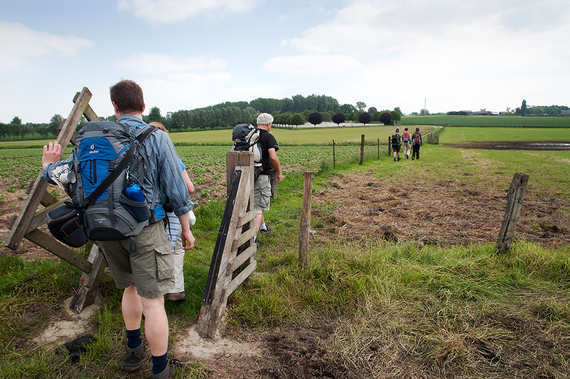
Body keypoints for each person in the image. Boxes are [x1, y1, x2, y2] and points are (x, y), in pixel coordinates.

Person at [42, 80, 194, 379]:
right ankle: (160, 370)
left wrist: (47, 165)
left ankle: (133, 352)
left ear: (114, 106)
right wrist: (186, 230)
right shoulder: (155, 137)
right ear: (143, 105)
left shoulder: (93, 139)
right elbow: (178, 193)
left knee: (130, 288)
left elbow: (64, 175)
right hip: (145, 229)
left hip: (105, 230)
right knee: (153, 302)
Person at [149, 122, 196, 303]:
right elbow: (189, 187)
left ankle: (151, 293)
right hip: (170, 211)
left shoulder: (138, 156)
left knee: (149, 252)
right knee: (176, 249)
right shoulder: (173, 158)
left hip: (148, 212)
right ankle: (174, 290)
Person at [253, 113, 283, 241]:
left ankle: (263, 227)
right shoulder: (268, 137)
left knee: (257, 203)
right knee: (259, 206)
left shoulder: (250, 136)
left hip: (247, 175)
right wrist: (279, 172)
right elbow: (272, 157)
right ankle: (251, 239)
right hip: (261, 175)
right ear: (269, 124)